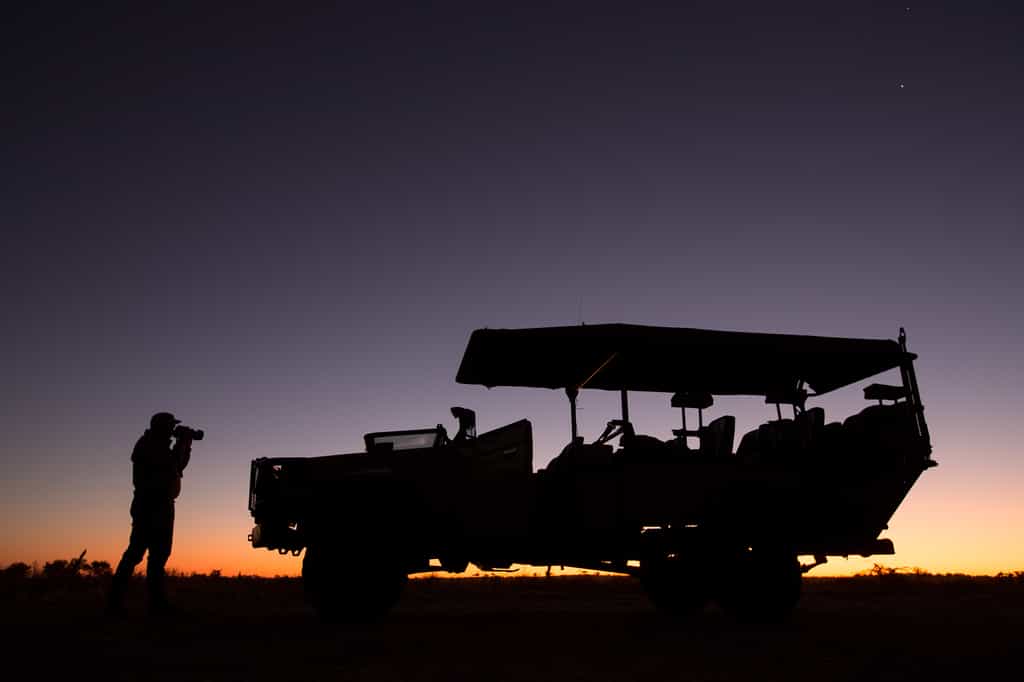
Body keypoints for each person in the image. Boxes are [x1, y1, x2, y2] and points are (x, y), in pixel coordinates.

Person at [107, 412, 193, 616]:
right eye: (171, 426)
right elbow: (171, 464)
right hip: (151, 505)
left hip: (161, 505)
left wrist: (185, 444)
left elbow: (178, 466)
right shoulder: (149, 445)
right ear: (162, 427)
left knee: (158, 556)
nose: (173, 430)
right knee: (136, 553)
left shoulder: (158, 445)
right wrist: (181, 443)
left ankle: (155, 603)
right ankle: (115, 602)